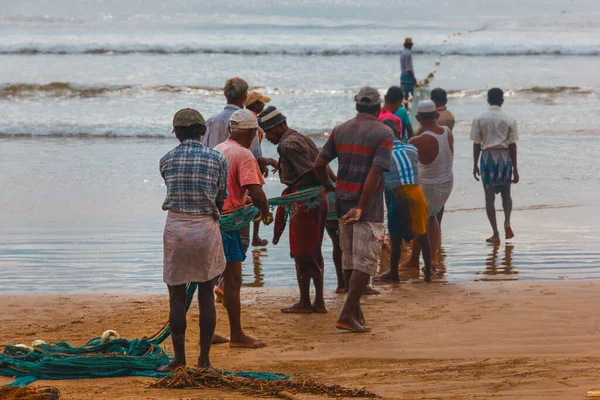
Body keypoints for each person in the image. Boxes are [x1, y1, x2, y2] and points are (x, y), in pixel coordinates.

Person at [314, 87, 394, 333]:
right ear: (378, 108)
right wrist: (361, 205)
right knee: (366, 261)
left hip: (342, 199)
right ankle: (347, 314)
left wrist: (330, 186)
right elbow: (376, 171)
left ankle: (355, 310)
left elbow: (319, 163)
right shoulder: (384, 132)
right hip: (366, 205)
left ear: (357, 106)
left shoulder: (340, 129)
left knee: (349, 256)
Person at [158, 108, 228, 371]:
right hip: (205, 227)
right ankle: (205, 360)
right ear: (202, 131)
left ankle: (179, 360)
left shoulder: (166, 160)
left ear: (176, 133)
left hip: (176, 227)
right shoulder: (217, 159)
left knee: (176, 296)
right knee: (206, 293)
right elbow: (221, 197)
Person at [258, 106, 330, 313]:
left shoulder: (286, 145)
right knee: (313, 249)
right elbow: (319, 165)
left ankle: (306, 302)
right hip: (316, 200)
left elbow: (310, 171)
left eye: (269, 132)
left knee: (302, 251)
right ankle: (317, 301)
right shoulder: (302, 138)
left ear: (280, 125)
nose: (268, 137)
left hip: (305, 202)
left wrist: (327, 186)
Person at [214, 109, 270, 348]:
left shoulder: (218, 149)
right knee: (233, 280)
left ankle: (210, 331)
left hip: (213, 221)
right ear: (252, 133)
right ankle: (236, 335)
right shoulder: (244, 154)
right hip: (229, 225)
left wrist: (241, 200)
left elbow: (226, 189)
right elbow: (257, 193)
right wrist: (265, 212)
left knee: (209, 281)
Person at [202, 77, 277, 251]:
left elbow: (204, 154)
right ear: (244, 95)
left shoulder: (211, 122)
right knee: (240, 241)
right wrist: (265, 212)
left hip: (213, 196)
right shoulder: (249, 126)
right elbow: (255, 158)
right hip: (237, 193)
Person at [375, 119, 433, 283]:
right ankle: (428, 271)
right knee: (422, 234)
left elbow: (385, 183)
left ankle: (394, 274)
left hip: (398, 194)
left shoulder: (382, 153)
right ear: (399, 134)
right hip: (417, 192)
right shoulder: (411, 148)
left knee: (396, 236)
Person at [401, 100, 454, 269]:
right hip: (446, 182)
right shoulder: (447, 132)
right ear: (437, 115)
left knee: (426, 220)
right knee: (431, 217)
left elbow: (409, 165)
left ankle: (430, 259)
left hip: (429, 186)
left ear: (417, 118)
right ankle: (418, 259)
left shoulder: (417, 140)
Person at [471, 88, 519, 243]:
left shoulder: (479, 118)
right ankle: (507, 221)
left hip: (487, 158)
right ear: (502, 100)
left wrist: (475, 164)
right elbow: (513, 145)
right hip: (505, 157)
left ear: (487, 100)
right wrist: (516, 169)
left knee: (489, 197)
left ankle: (495, 233)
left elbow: (476, 144)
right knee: (506, 194)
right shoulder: (509, 119)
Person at [246, 91, 273, 247]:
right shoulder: (254, 120)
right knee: (255, 197)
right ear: (256, 104)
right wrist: (262, 163)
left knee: (249, 198)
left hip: (246, 163)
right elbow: (255, 148)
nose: (263, 106)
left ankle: (255, 235)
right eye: (262, 103)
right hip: (250, 164)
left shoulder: (242, 116)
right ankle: (255, 236)